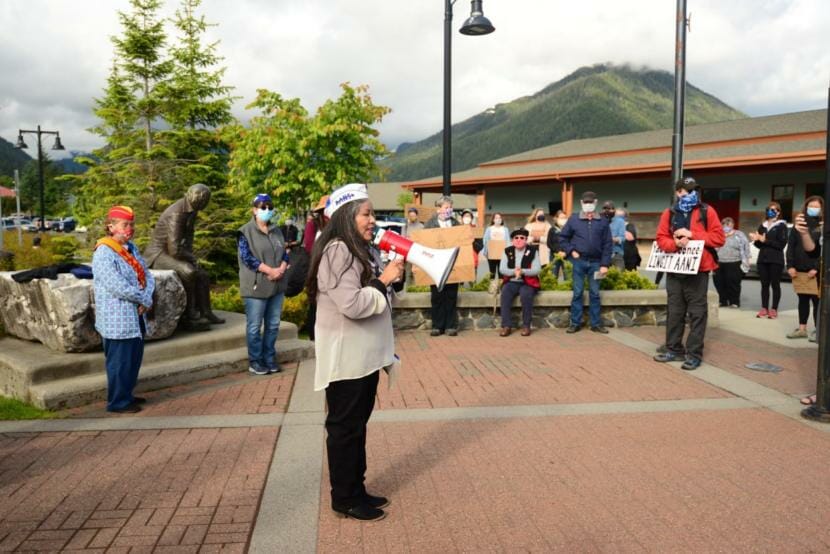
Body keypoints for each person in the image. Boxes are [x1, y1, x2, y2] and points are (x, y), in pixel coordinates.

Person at [306, 183, 404, 522]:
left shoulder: (357, 249)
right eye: (367, 213)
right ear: (348, 215)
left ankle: (356, 489)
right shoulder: (337, 250)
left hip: (362, 357)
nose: (373, 220)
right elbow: (352, 304)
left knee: (356, 425)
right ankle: (344, 498)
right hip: (347, 357)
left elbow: (376, 295)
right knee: (345, 428)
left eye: (372, 213)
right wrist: (383, 281)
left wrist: (390, 278)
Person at [653, 177, 725, 370]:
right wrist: (675, 243)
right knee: (675, 312)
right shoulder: (669, 213)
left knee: (697, 313)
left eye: (694, 190)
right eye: (687, 190)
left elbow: (719, 238)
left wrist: (693, 235)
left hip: (698, 270)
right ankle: (674, 349)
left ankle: (694, 354)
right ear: (678, 193)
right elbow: (661, 238)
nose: (691, 194)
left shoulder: (706, 211)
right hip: (675, 269)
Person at [92, 205, 155, 414]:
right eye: (125, 224)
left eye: (131, 224)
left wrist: (147, 297)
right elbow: (116, 285)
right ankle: (117, 401)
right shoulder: (104, 252)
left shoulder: (132, 248)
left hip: (135, 315)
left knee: (132, 359)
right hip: (117, 317)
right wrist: (143, 298)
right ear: (111, 226)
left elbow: (146, 274)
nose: (130, 228)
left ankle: (126, 394)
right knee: (119, 362)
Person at [144, 183, 224, 328]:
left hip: (171, 251)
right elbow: (175, 249)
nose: (205, 202)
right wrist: (191, 259)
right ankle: (189, 315)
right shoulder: (178, 213)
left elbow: (187, 238)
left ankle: (206, 312)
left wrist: (191, 256)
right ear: (196, 199)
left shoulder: (191, 209)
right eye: (203, 199)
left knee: (203, 274)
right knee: (189, 271)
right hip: (158, 254)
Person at [238, 193, 289, 375]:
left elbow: (285, 252)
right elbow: (247, 258)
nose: (267, 210)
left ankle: (269, 358)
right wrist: (270, 270)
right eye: (263, 207)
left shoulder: (276, 231)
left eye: (269, 207)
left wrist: (281, 268)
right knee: (254, 326)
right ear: (254, 210)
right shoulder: (245, 232)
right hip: (256, 287)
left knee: (273, 324)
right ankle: (255, 361)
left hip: (277, 286)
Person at [558, 191, 612, 334]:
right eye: (585, 202)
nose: (588, 205)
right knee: (577, 293)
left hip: (596, 263)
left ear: (595, 203)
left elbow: (607, 244)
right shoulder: (574, 219)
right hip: (579, 262)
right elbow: (562, 238)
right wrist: (571, 251)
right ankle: (575, 322)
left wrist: (605, 264)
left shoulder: (603, 221)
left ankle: (595, 324)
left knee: (595, 293)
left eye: (591, 202)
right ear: (581, 203)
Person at [786, 195, 823, 340]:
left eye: (816, 207)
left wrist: (816, 267)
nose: (813, 209)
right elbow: (791, 246)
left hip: (815, 271)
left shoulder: (822, 226)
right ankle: (802, 329)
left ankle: (817, 330)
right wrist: (790, 265)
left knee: (817, 302)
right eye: (811, 206)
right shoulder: (799, 225)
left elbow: (821, 250)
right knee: (802, 300)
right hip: (799, 270)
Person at [424, 196, 461, 336]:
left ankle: (450, 326)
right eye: (446, 207)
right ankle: (437, 326)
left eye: (450, 207)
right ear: (438, 209)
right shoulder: (429, 224)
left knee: (451, 296)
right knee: (437, 296)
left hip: (453, 265)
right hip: (436, 265)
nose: (449, 210)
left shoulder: (456, 223)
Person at [498, 228, 541, 336]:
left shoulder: (533, 251)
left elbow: (537, 269)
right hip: (512, 281)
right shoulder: (507, 251)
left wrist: (522, 271)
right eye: (516, 238)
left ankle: (526, 326)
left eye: (522, 238)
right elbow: (502, 269)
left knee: (526, 295)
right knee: (505, 293)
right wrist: (514, 272)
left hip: (528, 282)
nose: (519, 240)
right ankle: (506, 326)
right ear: (512, 240)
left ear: (526, 240)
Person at [749, 201, 788, 319]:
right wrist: (756, 240)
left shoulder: (782, 225)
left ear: (779, 212)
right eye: (769, 209)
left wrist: (765, 240)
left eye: (774, 209)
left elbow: (781, 245)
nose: (770, 211)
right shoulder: (763, 225)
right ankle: (764, 308)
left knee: (775, 284)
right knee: (764, 285)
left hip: (776, 260)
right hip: (763, 260)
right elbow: (759, 245)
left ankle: (774, 309)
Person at [303, 195, 329, 340]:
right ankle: (313, 336)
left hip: (329, 271)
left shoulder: (334, 225)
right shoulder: (313, 225)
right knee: (315, 304)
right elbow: (308, 246)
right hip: (316, 270)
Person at [712, 217, 750, 308]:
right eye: (724, 224)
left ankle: (734, 301)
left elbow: (746, 247)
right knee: (719, 283)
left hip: (734, 262)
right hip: (719, 262)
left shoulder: (739, 234)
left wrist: (746, 260)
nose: (727, 226)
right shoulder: (718, 234)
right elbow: (713, 247)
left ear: (733, 225)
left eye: (729, 224)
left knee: (733, 283)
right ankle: (723, 301)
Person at [483, 212, 510, 279]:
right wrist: (486, 251)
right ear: (493, 220)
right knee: (492, 272)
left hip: (502, 253)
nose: (498, 219)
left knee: (501, 272)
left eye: (499, 218)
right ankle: (492, 288)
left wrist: (508, 252)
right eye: (496, 218)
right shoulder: (489, 229)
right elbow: (485, 240)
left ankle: (501, 287)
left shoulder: (505, 229)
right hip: (492, 252)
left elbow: (508, 241)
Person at [605, 202, 626, 270]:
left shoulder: (620, 221)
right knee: (600, 277)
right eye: (606, 209)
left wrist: (612, 239)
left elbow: (622, 238)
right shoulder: (601, 220)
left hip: (616, 253)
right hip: (602, 254)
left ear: (614, 210)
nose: (608, 211)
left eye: (610, 209)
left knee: (619, 276)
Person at [547, 210, 567, 280]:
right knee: (553, 275)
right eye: (561, 218)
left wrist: (565, 252)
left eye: (565, 217)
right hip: (554, 256)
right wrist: (558, 251)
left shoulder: (569, 229)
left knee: (568, 275)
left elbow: (572, 242)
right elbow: (549, 243)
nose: (563, 219)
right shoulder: (552, 230)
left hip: (566, 255)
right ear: (556, 218)